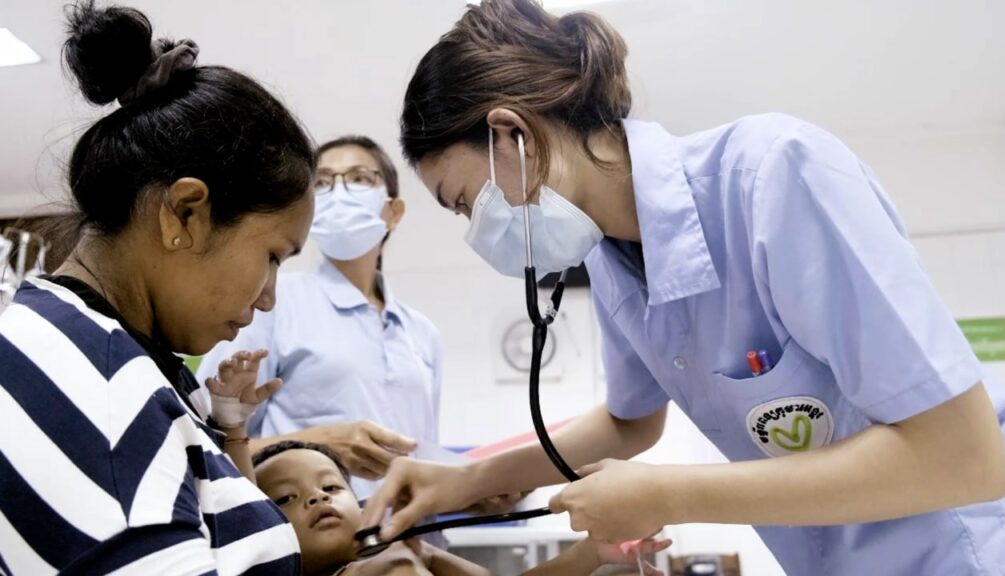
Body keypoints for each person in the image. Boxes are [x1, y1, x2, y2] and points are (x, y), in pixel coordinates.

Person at [361, 1, 1005, 574]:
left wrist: (669, 495)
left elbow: (964, 457)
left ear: (513, 136)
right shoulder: (610, 260)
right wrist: (468, 478)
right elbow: (630, 423)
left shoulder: (773, 178)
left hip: (970, 548)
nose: (476, 231)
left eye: (465, 203)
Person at [0, 1, 316, 573]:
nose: (269, 296)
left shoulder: (122, 358)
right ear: (185, 213)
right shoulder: (94, 387)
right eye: (272, 256)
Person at [198, 136, 442, 501]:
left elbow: (425, 460)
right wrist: (320, 443)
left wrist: (475, 489)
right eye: (323, 183)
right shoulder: (269, 303)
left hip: (415, 530)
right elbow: (205, 438)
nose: (339, 193)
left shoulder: (421, 333)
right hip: (311, 530)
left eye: (360, 178)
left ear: (394, 212)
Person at [252, 440, 671, 576]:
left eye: (331, 486)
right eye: (285, 498)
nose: (317, 497)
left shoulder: (411, 555)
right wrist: (234, 427)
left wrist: (590, 553)